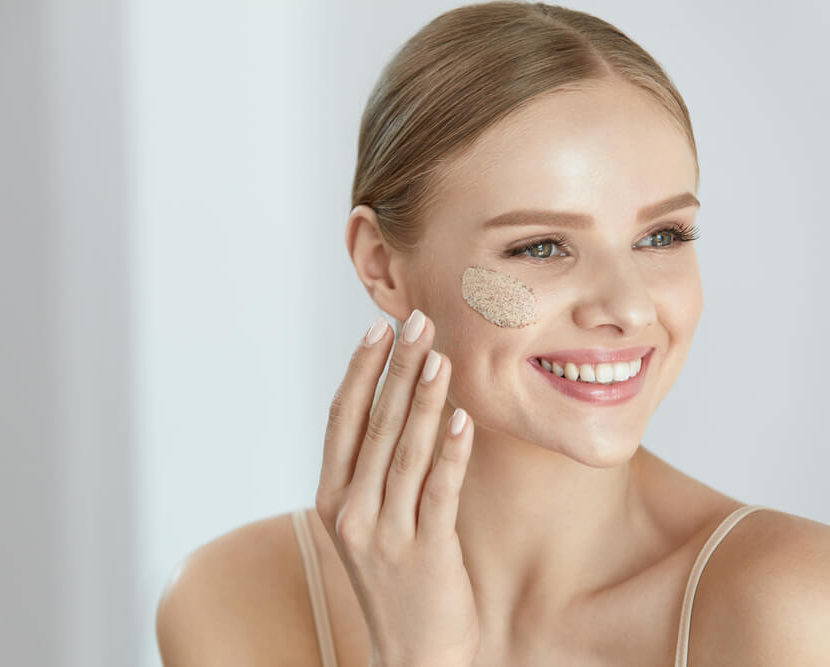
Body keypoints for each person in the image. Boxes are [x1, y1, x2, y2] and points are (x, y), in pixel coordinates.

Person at [156, 2, 830, 665]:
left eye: (662, 235)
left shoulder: (793, 606)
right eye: (541, 247)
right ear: (381, 263)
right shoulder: (235, 600)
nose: (627, 307)